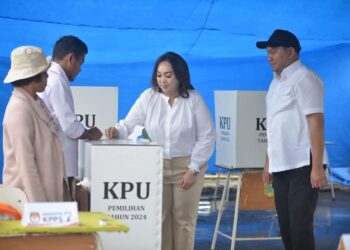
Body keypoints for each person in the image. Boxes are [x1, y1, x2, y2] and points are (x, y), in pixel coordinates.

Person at [105, 52, 216, 250]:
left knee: (184, 220)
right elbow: (130, 122)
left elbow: (207, 136)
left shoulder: (194, 100)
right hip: (156, 166)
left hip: (188, 167)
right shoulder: (148, 97)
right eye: (159, 75)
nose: (162, 80)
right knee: (160, 219)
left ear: (180, 75)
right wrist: (117, 130)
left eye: (168, 75)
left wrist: (194, 168)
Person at [257, 29, 327, 250]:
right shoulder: (274, 83)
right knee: (286, 226)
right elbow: (274, 126)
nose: (269, 56)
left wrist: (317, 167)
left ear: (290, 52)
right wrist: (268, 162)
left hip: (303, 164)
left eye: (273, 51)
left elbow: (316, 122)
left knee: (300, 226)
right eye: (267, 52)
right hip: (281, 164)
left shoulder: (305, 78)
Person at [2, 46, 70, 202]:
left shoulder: (35, 101)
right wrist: (40, 208)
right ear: (34, 77)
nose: (47, 77)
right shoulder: (19, 110)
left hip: (47, 197)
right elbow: (27, 167)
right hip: (29, 202)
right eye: (44, 73)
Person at [40, 35, 102, 195]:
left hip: (55, 158)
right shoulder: (56, 81)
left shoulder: (52, 78)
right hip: (58, 162)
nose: (80, 69)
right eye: (80, 63)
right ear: (71, 58)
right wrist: (89, 133)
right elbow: (68, 125)